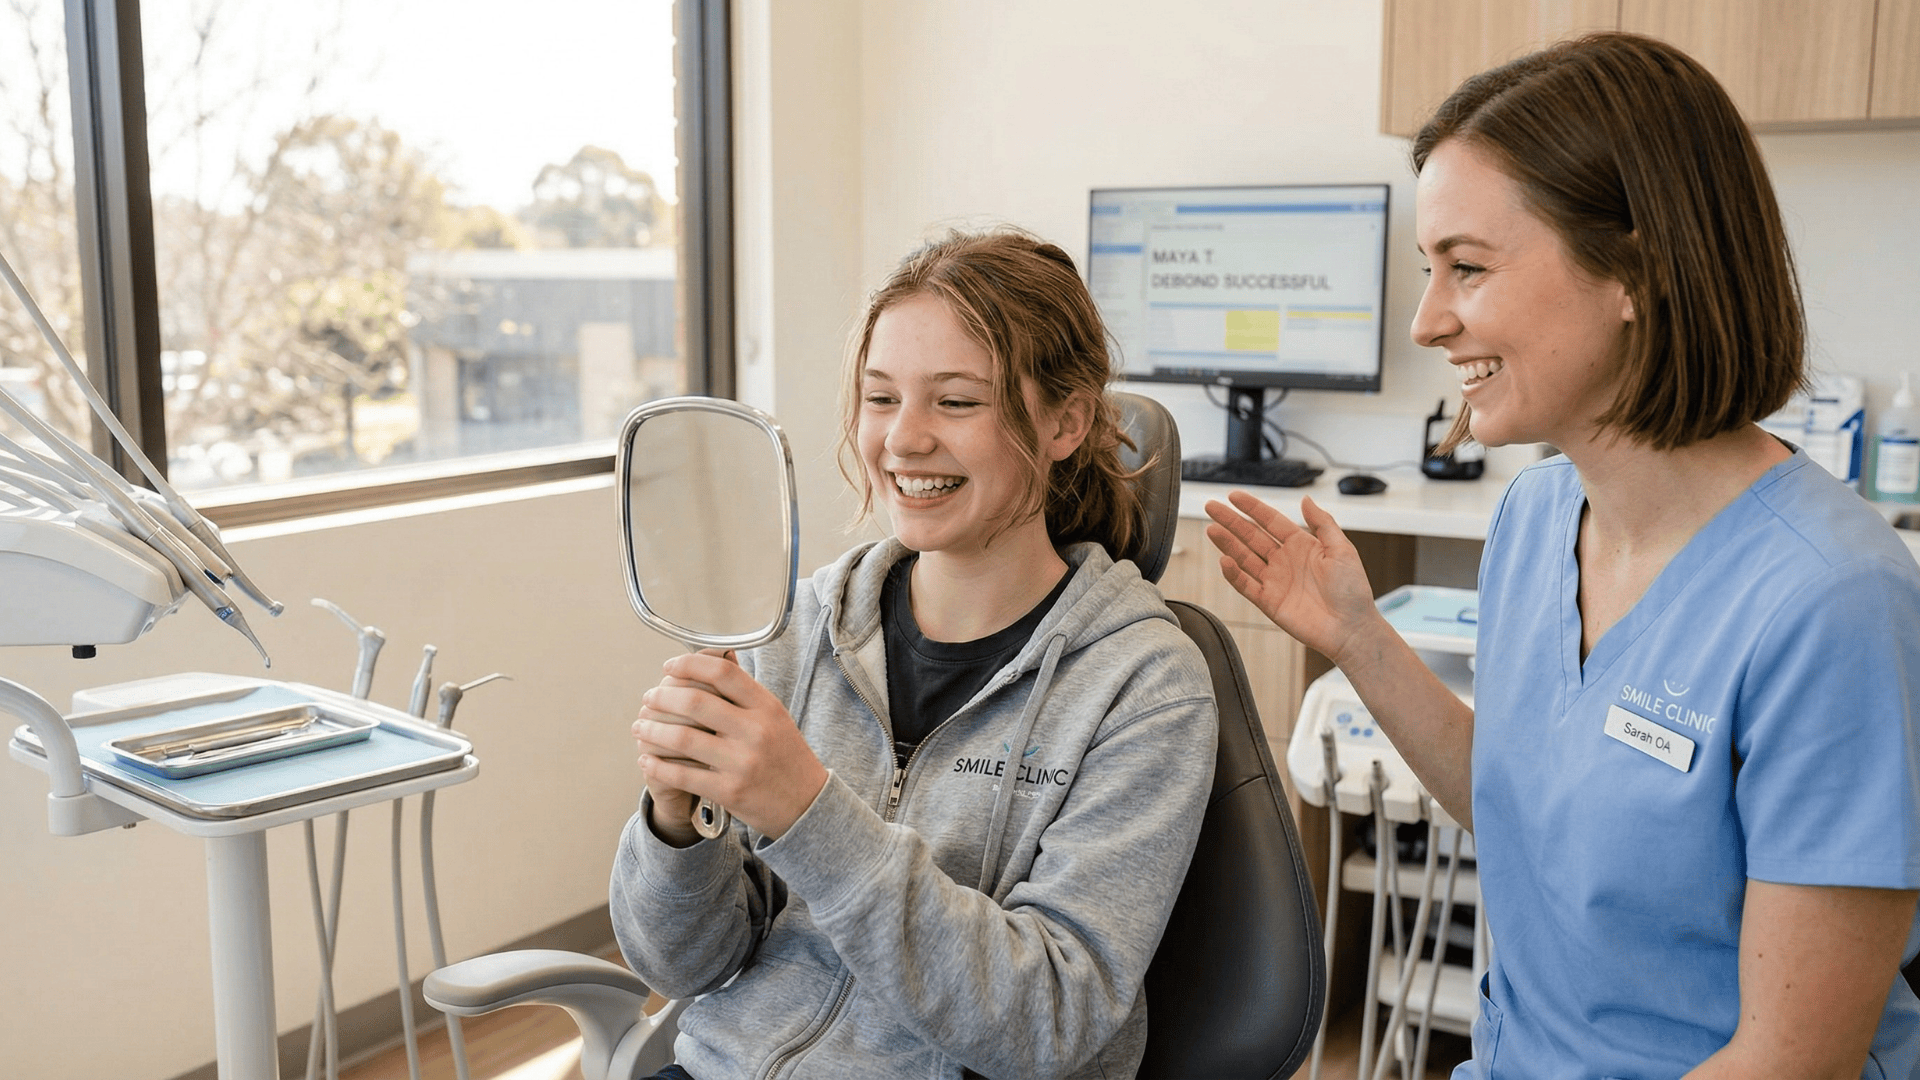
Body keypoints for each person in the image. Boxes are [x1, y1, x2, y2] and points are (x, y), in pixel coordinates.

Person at [1204, 32, 1920, 1080]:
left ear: (1634, 271)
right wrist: (1356, 637)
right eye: (1427, 270)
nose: (1427, 320)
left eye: (1469, 269)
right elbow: (1528, 806)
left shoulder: (1833, 604)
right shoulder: (1539, 517)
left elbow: (1788, 1063)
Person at [611, 228, 1218, 1080]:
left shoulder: (1142, 685)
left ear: (1067, 422)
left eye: (958, 402)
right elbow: (681, 968)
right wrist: (677, 826)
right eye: (881, 397)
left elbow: (1049, 1022)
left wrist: (808, 812)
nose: (903, 441)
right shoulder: (796, 631)